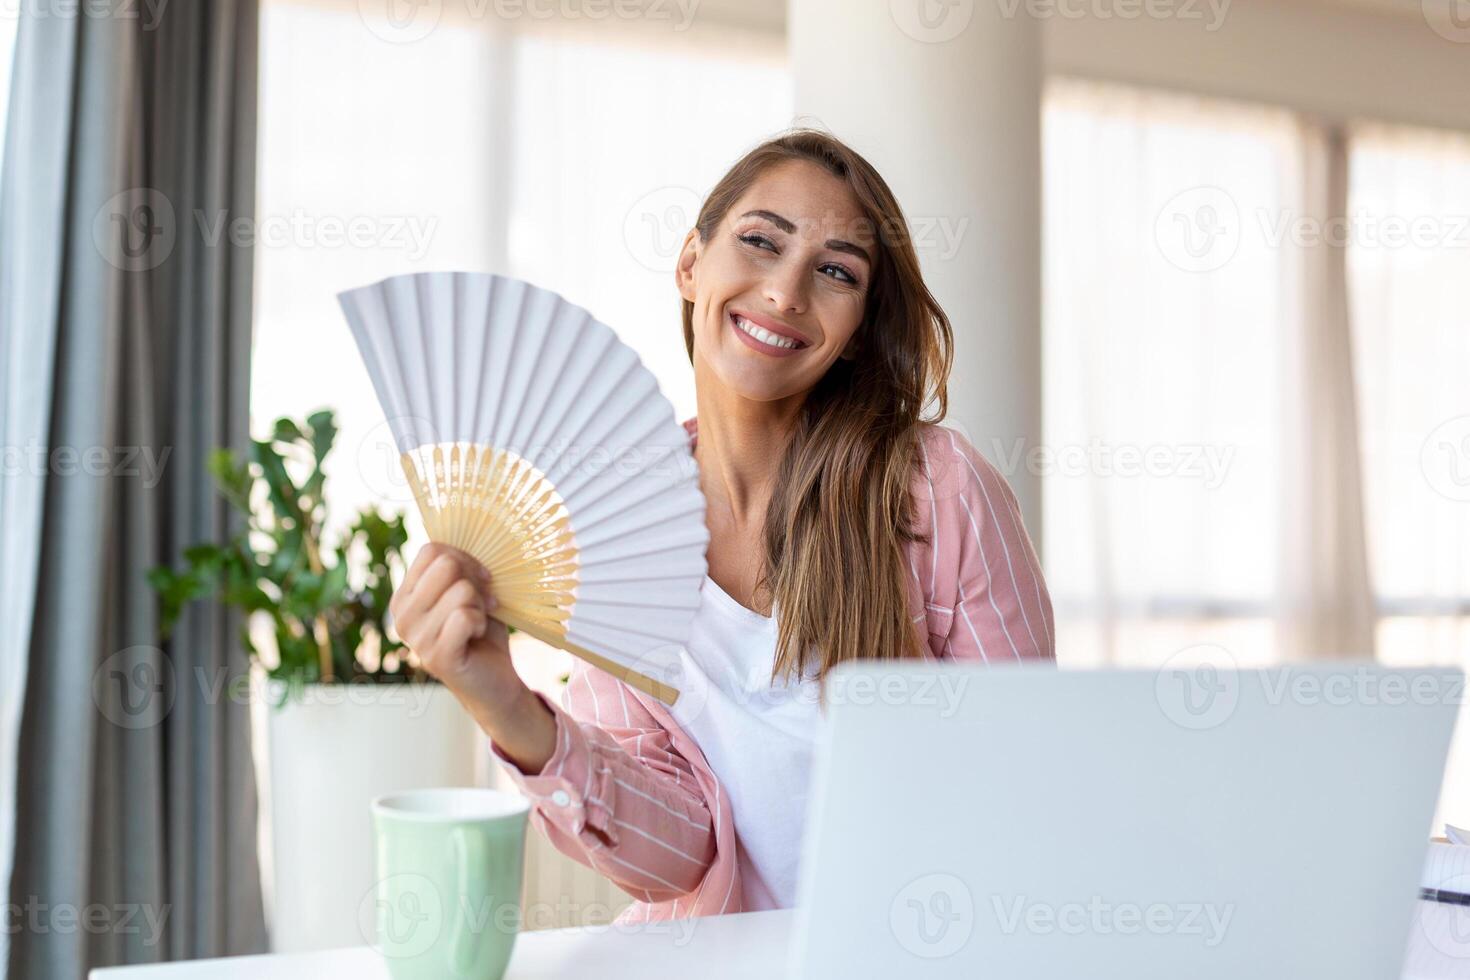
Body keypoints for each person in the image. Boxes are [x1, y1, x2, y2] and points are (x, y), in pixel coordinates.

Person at [387, 128, 1054, 923]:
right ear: (690, 263)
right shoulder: (611, 535)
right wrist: (498, 697)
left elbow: (1025, 778)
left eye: (836, 270)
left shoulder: (940, 492)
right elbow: (676, 858)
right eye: (760, 242)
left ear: (855, 333)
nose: (784, 292)